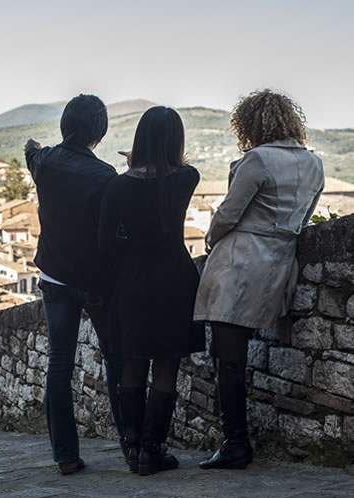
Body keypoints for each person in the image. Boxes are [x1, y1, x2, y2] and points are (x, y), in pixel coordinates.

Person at [194, 89, 324, 470]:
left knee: (228, 359)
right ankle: (236, 443)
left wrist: (210, 238)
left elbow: (229, 213)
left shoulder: (256, 159)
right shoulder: (315, 164)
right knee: (235, 356)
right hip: (280, 263)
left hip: (239, 263)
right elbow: (304, 220)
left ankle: (235, 443)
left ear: (250, 124)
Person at [99, 106, 205, 475]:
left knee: (132, 363)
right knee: (166, 365)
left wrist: (131, 166)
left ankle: (131, 449)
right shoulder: (188, 177)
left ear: (138, 141)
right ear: (176, 140)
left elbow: (106, 242)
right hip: (175, 279)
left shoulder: (118, 185)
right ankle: (152, 450)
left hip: (131, 282)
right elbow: (170, 172)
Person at [25, 94, 123, 475]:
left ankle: (65, 454)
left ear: (66, 125)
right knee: (115, 357)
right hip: (95, 281)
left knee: (59, 363)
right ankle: (130, 444)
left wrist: (32, 147)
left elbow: (31, 152)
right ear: (98, 132)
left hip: (53, 277)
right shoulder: (105, 177)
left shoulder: (45, 163)